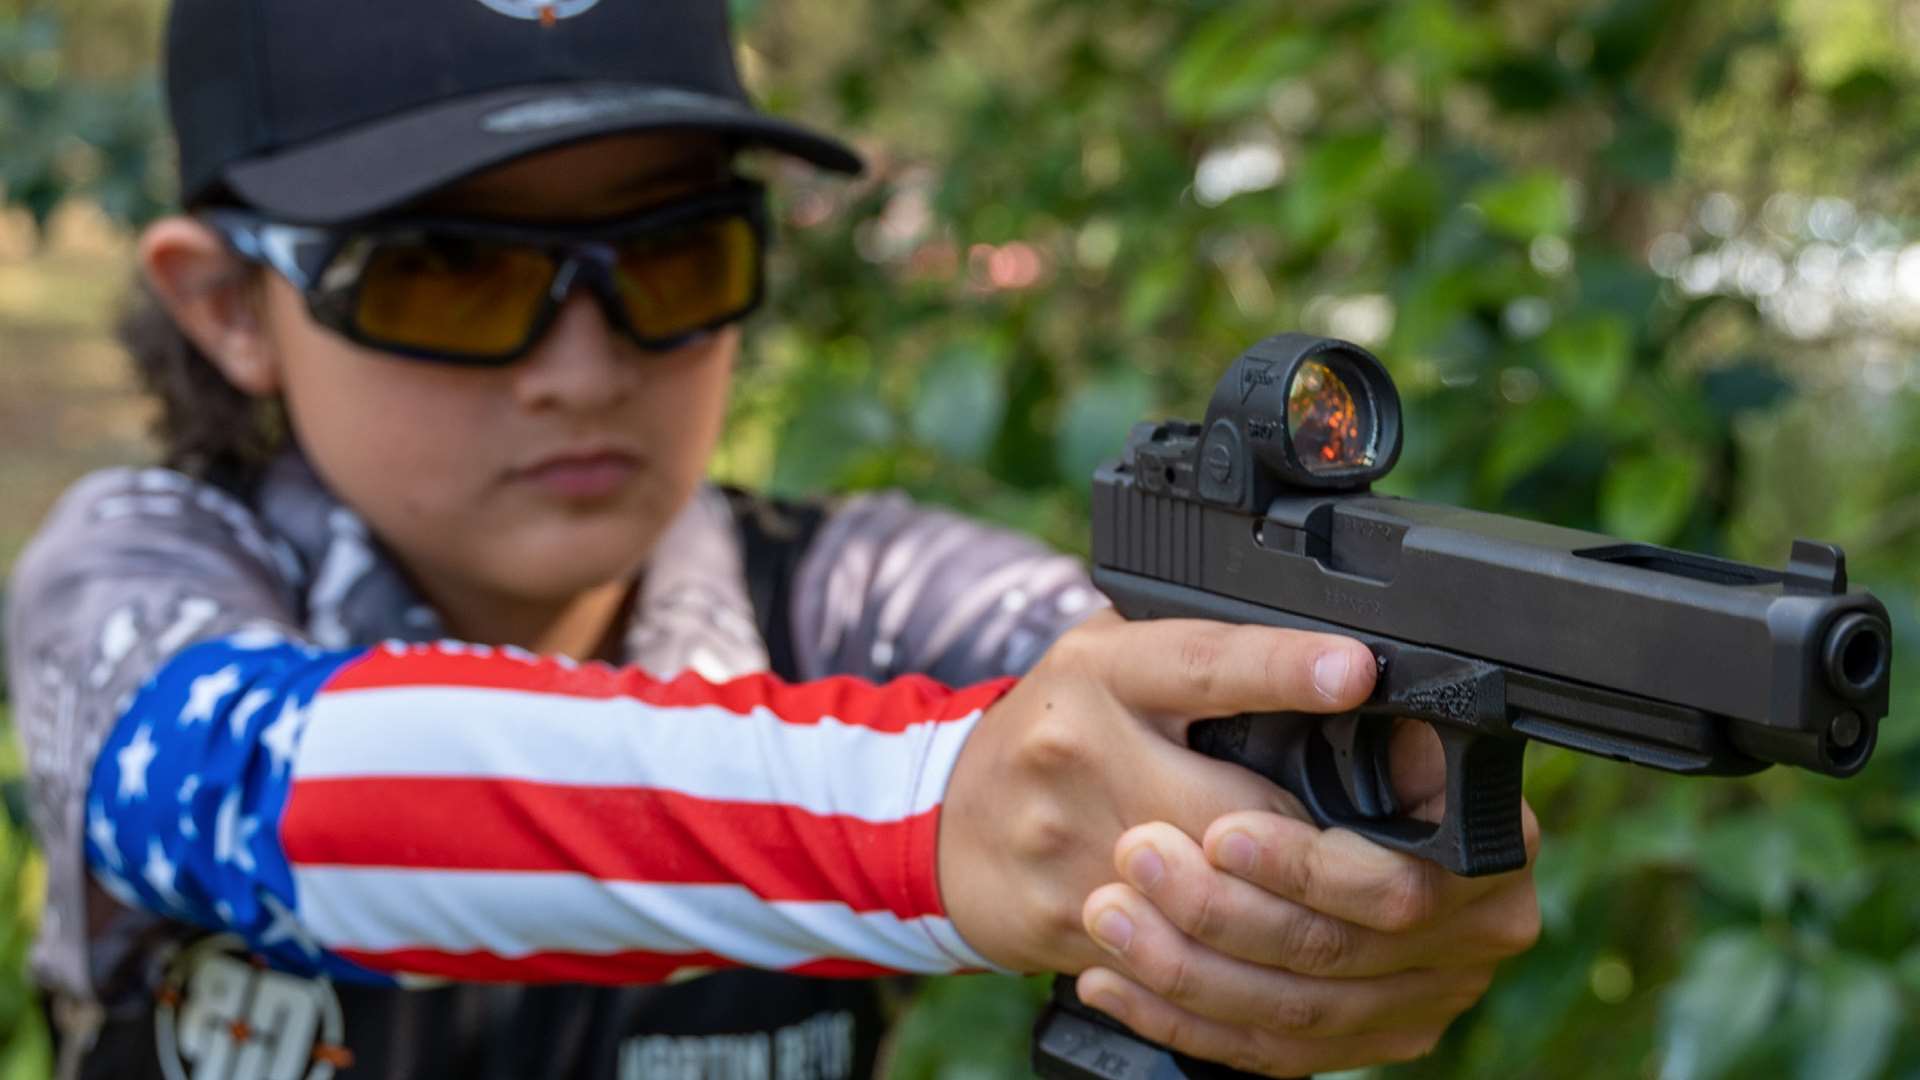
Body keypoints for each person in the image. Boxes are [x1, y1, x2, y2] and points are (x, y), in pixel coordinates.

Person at [1, 1, 1542, 1077]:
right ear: (226, 304)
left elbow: (1117, 684)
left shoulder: (855, 588)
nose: (586, 366)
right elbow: (247, 781)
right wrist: (933, 815)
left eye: (674, 254)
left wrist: (1306, 847)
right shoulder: (139, 562)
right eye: (450, 269)